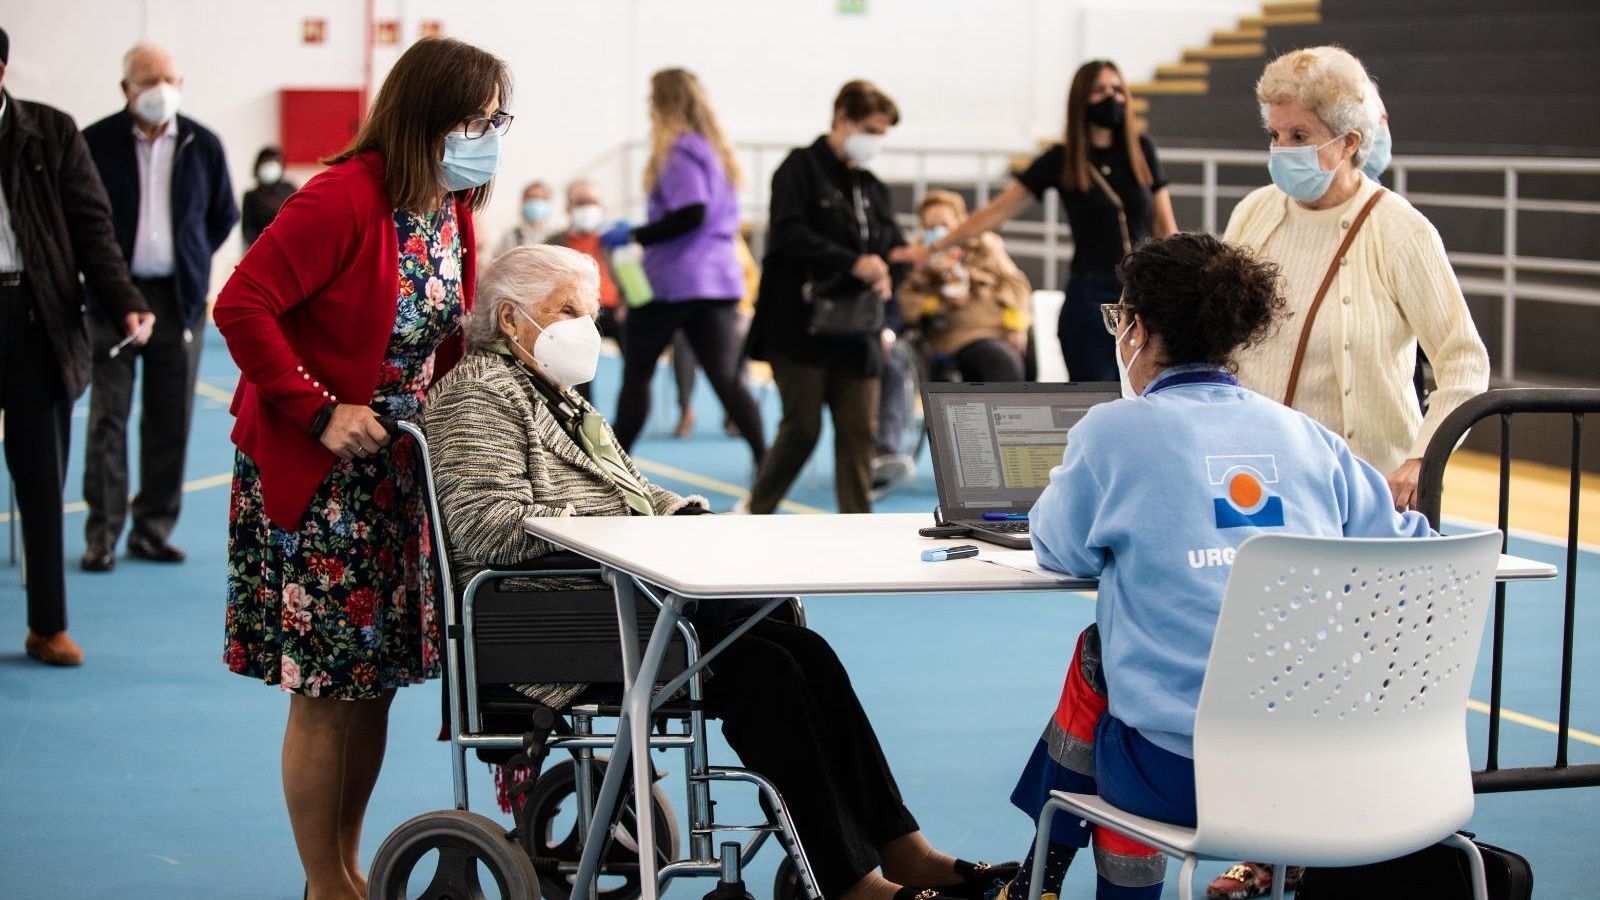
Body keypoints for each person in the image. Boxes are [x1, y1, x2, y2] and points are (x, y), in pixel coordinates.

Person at [426, 244, 1014, 900]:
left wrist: (690, 518)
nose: (585, 328)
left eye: (591, 313)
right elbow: (484, 525)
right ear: (511, 319)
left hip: (623, 599)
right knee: (767, 671)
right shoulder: (478, 394)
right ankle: (850, 880)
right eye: (568, 310)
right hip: (554, 615)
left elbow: (632, 494)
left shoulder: (555, 394)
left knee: (805, 654)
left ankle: (901, 848)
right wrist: (624, 537)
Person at [991, 232, 1433, 900]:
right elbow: (1404, 544)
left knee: (1102, 663)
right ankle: (1042, 878)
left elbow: (1059, 548)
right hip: (1324, 772)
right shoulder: (1307, 437)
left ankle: (1054, 879)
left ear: (1138, 329)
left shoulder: (1113, 432)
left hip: (1182, 779)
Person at [213, 37, 503, 900]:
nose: (488, 137)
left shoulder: (450, 205)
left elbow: (443, 337)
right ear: (426, 117)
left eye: (498, 121)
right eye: (476, 120)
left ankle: (341, 868)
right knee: (326, 691)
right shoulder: (341, 196)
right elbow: (242, 304)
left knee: (370, 688)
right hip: (321, 478)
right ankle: (325, 879)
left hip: (393, 476)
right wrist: (318, 409)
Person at [1222, 46, 1488, 515]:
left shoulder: (1401, 231)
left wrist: (1423, 459)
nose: (1281, 149)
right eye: (1275, 134)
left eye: (1299, 135)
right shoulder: (1253, 213)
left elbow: (1464, 359)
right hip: (1258, 483)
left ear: (1348, 143)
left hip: (1368, 492)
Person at [0, 27, 153, 666]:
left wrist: (123, 301)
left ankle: (47, 626)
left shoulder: (51, 132)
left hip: (35, 318)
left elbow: (93, 227)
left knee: (41, 480)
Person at [899, 60, 1175, 382]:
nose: (1111, 97)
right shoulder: (1062, 158)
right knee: (1095, 392)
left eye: (1117, 89)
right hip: (1089, 294)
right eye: (1099, 90)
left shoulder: (1142, 150)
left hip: (1141, 293)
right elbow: (997, 211)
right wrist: (936, 246)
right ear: (1081, 98)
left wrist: (1178, 284)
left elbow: (1166, 226)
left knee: (1148, 388)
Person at [80, 43, 238, 570]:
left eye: (170, 78)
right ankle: (103, 533)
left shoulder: (203, 144)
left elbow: (222, 215)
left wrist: (190, 259)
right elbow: (80, 219)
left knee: (170, 419)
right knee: (108, 418)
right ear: (126, 88)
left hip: (178, 300)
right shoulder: (95, 143)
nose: (161, 90)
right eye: (149, 80)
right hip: (112, 298)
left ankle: (153, 528)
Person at [745, 80, 907, 514]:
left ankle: (857, 522)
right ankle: (756, 510)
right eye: (870, 130)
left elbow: (893, 246)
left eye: (881, 134)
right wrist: (853, 263)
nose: (875, 141)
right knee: (802, 429)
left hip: (859, 330)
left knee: (859, 433)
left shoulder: (872, 188)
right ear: (842, 119)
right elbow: (788, 234)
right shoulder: (798, 169)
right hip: (799, 325)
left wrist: (891, 272)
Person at [600, 68, 765, 464]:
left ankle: (613, 466)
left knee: (637, 373)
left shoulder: (678, 152)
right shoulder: (715, 153)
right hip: (717, 280)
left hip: (675, 281)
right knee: (727, 379)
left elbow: (692, 212)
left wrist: (635, 234)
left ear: (662, 104)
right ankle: (766, 463)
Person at [899, 189, 1032, 382]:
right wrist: (937, 304)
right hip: (959, 337)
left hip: (1001, 329)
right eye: (931, 227)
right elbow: (904, 300)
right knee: (999, 360)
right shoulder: (917, 257)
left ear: (961, 222)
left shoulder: (985, 245)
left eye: (944, 225)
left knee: (1026, 355)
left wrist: (1016, 325)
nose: (938, 232)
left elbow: (1016, 284)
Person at [545, 178, 624, 404]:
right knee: (579, 361)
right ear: (568, 207)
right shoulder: (554, 243)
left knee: (639, 357)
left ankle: (628, 416)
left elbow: (631, 279)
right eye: (581, 202)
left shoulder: (612, 241)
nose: (587, 208)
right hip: (578, 314)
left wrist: (627, 304)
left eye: (592, 202)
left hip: (614, 310)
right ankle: (585, 411)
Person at [241, 145, 297, 248]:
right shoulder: (251, 196)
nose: (271, 166)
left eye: (275, 161)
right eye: (267, 161)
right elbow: (248, 231)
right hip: (261, 250)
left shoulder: (290, 190)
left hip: (288, 248)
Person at [494, 178, 552, 256]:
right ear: (523, 201)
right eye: (532, 197)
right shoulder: (511, 236)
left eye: (541, 198)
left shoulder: (556, 236)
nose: (536, 202)